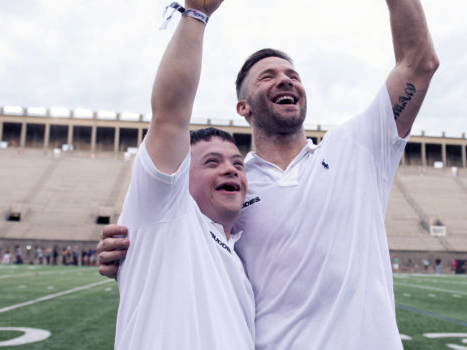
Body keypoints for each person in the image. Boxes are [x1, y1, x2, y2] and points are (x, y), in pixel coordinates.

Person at [99, 0, 438, 348]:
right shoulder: (229, 194)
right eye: (268, 77)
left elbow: (419, 65)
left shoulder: (357, 149)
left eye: (293, 76)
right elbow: (169, 236)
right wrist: (131, 251)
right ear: (243, 107)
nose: (285, 81)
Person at [114, 1, 254, 347]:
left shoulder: (238, 255)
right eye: (212, 162)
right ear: (179, 177)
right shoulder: (167, 212)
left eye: (238, 163)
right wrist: (197, 14)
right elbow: (169, 115)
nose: (230, 169)